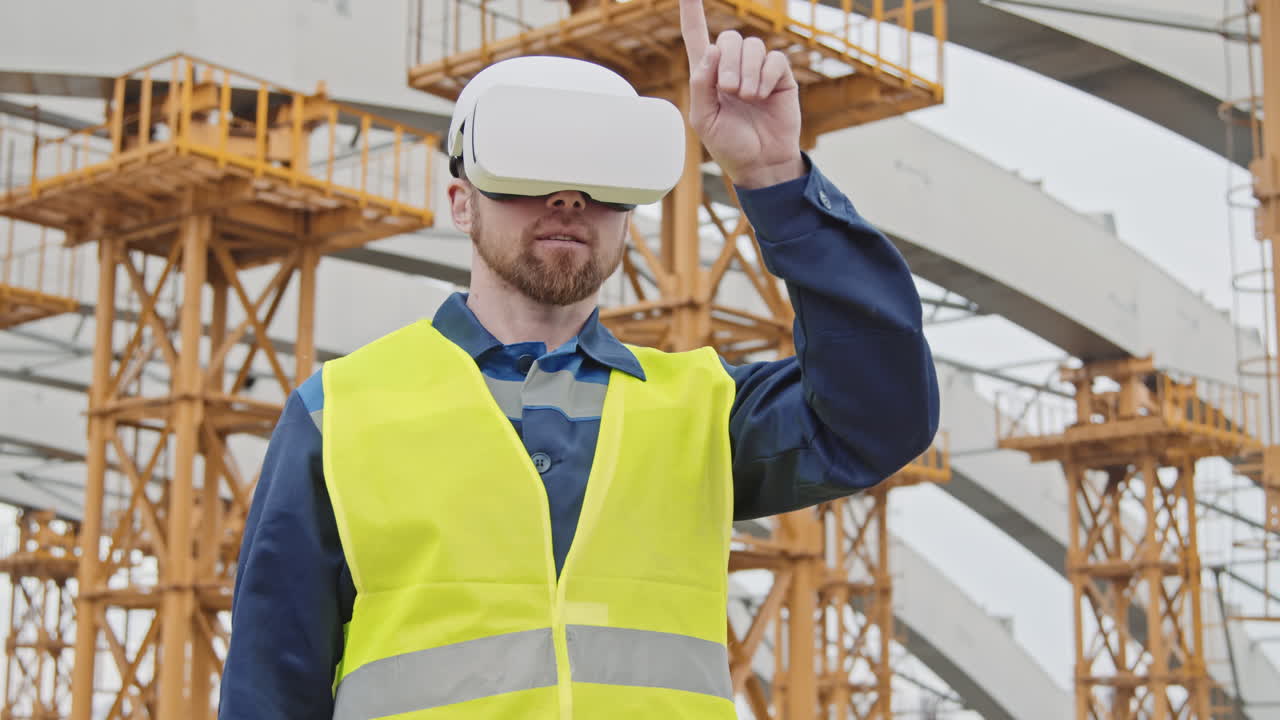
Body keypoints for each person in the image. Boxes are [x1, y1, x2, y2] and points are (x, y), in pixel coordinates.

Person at [219, 0, 939, 717]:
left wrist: (776, 176)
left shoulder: (703, 412)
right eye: (527, 169)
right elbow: (268, 689)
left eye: (601, 175)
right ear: (461, 203)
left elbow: (882, 413)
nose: (568, 197)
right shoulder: (338, 414)